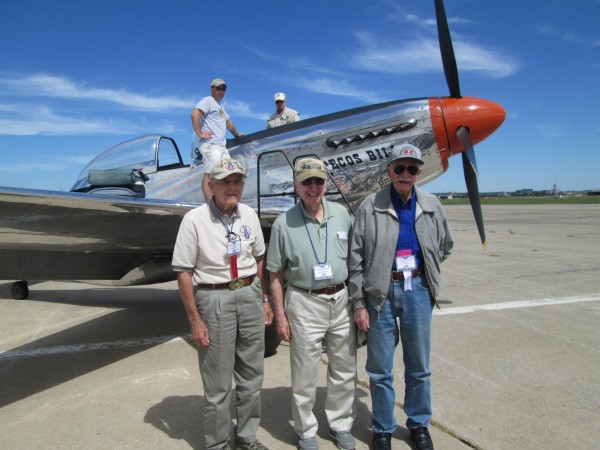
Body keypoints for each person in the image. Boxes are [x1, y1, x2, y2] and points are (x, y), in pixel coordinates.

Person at [348, 143, 454, 450]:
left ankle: (419, 424)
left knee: (419, 366)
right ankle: (382, 427)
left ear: (419, 172)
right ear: (389, 171)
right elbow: (355, 259)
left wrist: (427, 273)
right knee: (379, 369)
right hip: (379, 293)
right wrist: (358, 303)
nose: (405, 174)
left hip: (417, 290)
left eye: (412, 168)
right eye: (399, 168)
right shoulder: (371, 205)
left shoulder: (432, 204)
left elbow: (445, 245)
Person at [172, 157, 273, 450]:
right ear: (211, 184)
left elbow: (259, 258)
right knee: (217, 381)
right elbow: (183, 272)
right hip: (214, 298)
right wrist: (195, 319)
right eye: (225, 181)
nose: (232, 187)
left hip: (250, 294)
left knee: (252, 374)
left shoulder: (249, 215)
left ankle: (246, 437)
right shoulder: (194, 220)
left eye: (237, 181)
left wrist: (264, 298)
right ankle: (217, 444)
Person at [267, 157, 356, 450]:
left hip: (341, 300)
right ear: (296, 186)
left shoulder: (342, 214)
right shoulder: (283, 223)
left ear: (326, 184)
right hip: (304, 302)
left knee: (344, 369)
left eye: (318, 181)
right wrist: (280, 314)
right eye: (307, 182)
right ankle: (306, 430)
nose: (313, 187)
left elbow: (356, 260)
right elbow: (275, 274)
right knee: (305, 372)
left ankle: (340, 425)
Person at [191, 78, 244, 203]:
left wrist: (237, 134)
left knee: (227, 173)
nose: (221, 91)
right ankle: (210, 205)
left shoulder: (220, 107)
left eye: (223, 89)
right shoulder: (208, 101)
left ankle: (222, 202)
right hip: (211, 145)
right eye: (218, 88)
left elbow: (228, 123)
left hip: (221, 147)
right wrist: (200, 133)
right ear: (212, 89)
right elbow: (195, 113)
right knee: (210, 174)